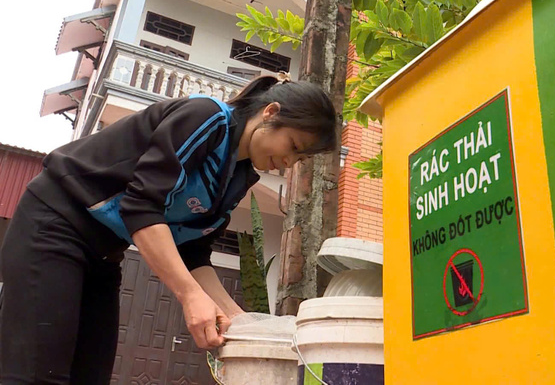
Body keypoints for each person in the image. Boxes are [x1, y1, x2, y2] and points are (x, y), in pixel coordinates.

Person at [0, 74, 337, 384]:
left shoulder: (239, 177)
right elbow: (141, 206)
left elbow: (192, 250)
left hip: (104, 252)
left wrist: (237, 319)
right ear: (270, 112)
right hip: (55, 223)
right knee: (36, 374)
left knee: (89, 375)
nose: (291, 163)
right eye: (293, 146)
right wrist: (190, 296)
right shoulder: (206, 119)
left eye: (301, 159)